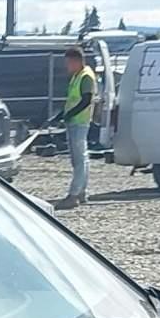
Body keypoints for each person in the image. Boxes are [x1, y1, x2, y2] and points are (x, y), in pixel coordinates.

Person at [52, 47, 98, 209]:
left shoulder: (85, 77)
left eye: (69, 63)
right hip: (74, 121)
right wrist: (61, 115)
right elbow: (73, 99)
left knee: (79, 160)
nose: (67, 66)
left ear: (76, 61)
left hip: (79, 122)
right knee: (80, 159)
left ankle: (73, 195)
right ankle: (81, 193)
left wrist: (69, 114)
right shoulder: (77, 76)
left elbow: (86, 100)